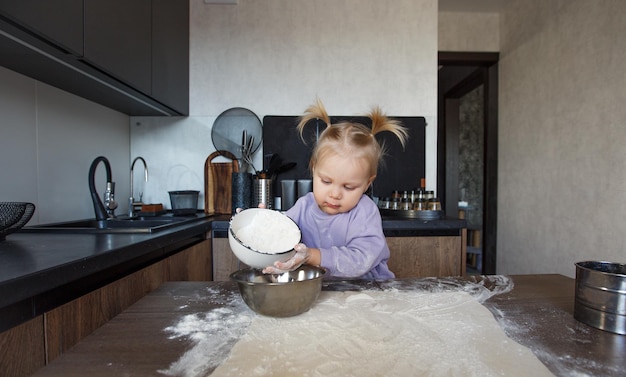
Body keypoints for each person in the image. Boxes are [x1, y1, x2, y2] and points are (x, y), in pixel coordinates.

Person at [262, 99, 408, 279]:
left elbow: (360, 260)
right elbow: (281, 234)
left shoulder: (364, 212)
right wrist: (266, 224)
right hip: (322, 292)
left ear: (367, 184)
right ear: (314, 169)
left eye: (349, 187)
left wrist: (312, 255)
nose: (335, 194)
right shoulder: (304, 206)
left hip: (369, 293)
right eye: (326, 181)